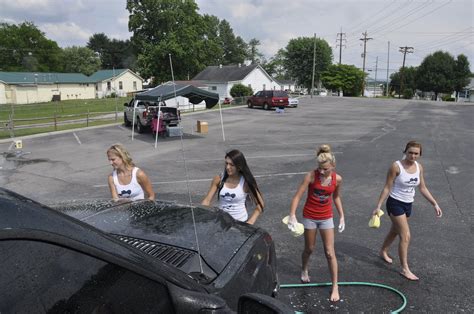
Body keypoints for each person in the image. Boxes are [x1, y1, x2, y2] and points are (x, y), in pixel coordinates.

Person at [373, 140, 442, 281]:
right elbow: (387, 187)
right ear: (405, 152)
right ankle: (405, 269)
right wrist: (378, 205)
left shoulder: (419, 167)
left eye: (416, 153)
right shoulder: (396, 166)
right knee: (406, 235)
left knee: (395, 231)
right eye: (410, 152)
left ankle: (383, 250)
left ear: (420, 154)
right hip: (395, 203)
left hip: (408, 204)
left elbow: (422, 187)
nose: (413, 156)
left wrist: (434, 203)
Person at [288, 144, 345, 302]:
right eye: (320, 168)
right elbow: (297, 196)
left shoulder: (337, 179)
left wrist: (342, 216)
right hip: (310, 217)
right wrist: (292, 215)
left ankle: (335, 286)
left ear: (333, 166)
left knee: (329, 252)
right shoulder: (311, 176)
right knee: (309, 249)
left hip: (326, 217)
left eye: (325, 169)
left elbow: (336, 197)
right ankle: (304, 269)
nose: (321, 171)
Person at [201, 149, 264, 225]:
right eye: (226, 163)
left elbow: (260, 204)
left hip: (240, 223)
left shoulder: (246, 182)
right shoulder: (219, 179)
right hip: (221, 223)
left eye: (231, 165)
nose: (227, 167)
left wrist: (250, 222)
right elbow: (207, 201)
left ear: (239, 166)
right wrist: (200, 215)